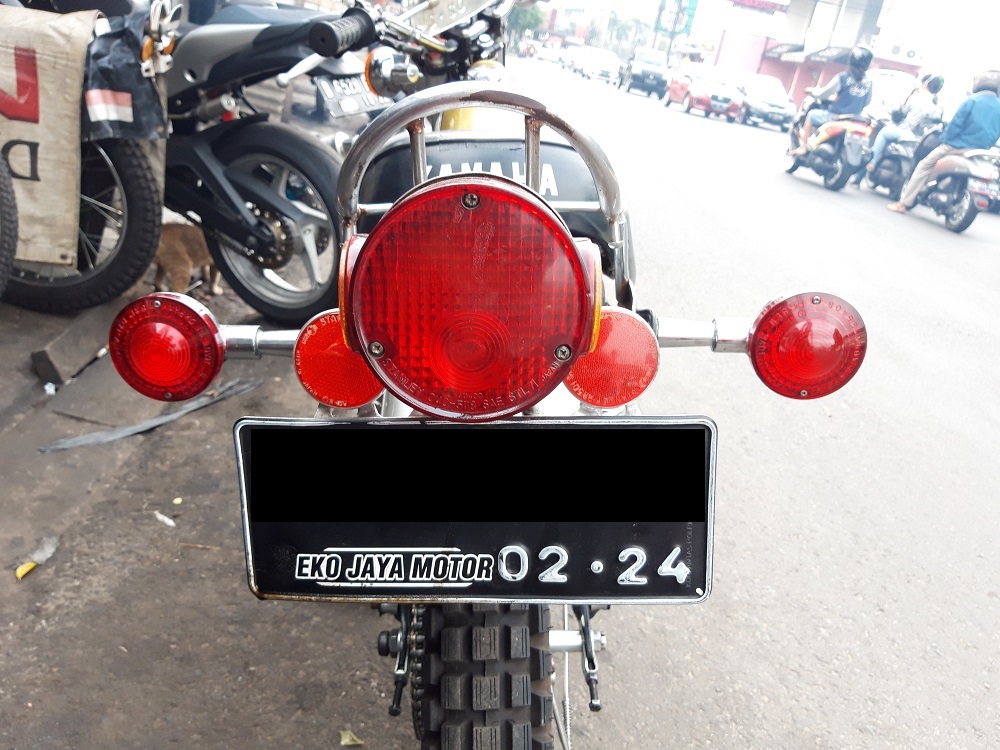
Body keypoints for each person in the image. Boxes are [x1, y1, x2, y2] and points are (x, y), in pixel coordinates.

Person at [888, 70, 1000, 213]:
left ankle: (903, 203)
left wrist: (944, 140)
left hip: (957, 146)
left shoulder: (972, 101)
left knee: (924, 166)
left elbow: (955, 125)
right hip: (980, 151)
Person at [850, 73, 945, 186]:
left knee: (884, 133)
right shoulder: (939, 105)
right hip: (923, 139)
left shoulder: (917, 97)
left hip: (907, 133)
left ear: (925, 83)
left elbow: (901, 111)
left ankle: (873, 162)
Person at [789, 45, 874, 157]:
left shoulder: (843, 77)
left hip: (836, 117)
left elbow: (823, 94)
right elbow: (867, 102)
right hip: (856, 119)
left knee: (811, 115)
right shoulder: (868, 82)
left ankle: (803, 147)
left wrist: (812, 91)